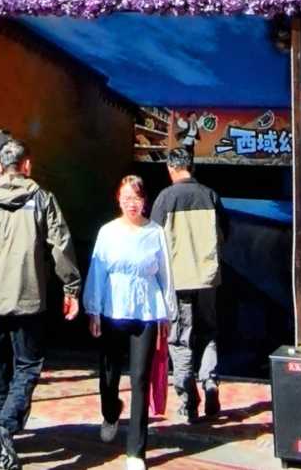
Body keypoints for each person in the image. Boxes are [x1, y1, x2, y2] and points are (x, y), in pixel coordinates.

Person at [0, 137, 82, 470]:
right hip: (29, 299)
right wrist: (71, 288)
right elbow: (61, 245)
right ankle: (3, 429)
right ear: (26, 165)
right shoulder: (43, 199)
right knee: (28, 366)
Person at [83, 174, 178, 470]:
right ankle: (110, 412)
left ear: (144, 200)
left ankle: (136, 451)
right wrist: (93, 310)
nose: (131, 204)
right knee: (109, 374)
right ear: (118, 200)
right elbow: (97, 271)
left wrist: (167, 313)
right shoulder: (108, 232)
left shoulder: (155, 232)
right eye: (126, 198)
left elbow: (165, 274)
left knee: (140, 378)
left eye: (136, 198)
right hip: (113, 307)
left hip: (146, 309)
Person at [151, 146, 228, 425]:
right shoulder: (210, 195)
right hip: (208, 277)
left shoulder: (165, 198)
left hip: (178, 279)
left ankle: (189, 401)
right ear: (192, 166)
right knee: (208, 331)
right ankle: (210, 381)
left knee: (180, 338)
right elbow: (224, 233)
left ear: (171, 168)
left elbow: (154, 241)